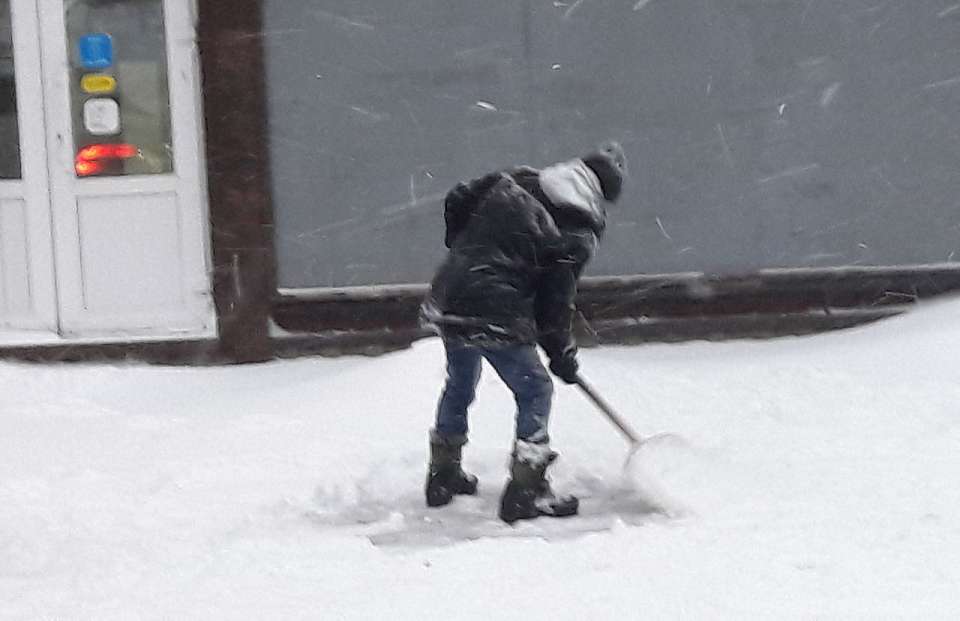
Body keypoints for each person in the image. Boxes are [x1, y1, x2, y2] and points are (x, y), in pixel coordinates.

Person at [421, 142, 627, 523]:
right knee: (536, 388)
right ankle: (525, 491)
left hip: (450, 293)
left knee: (461, 381)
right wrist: (560, 352)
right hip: (494, 307)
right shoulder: (576, 229)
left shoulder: (517, 180)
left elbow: (458, 197)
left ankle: (443, 474)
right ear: (601, 194)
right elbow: (554, 301)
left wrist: (465, 252)